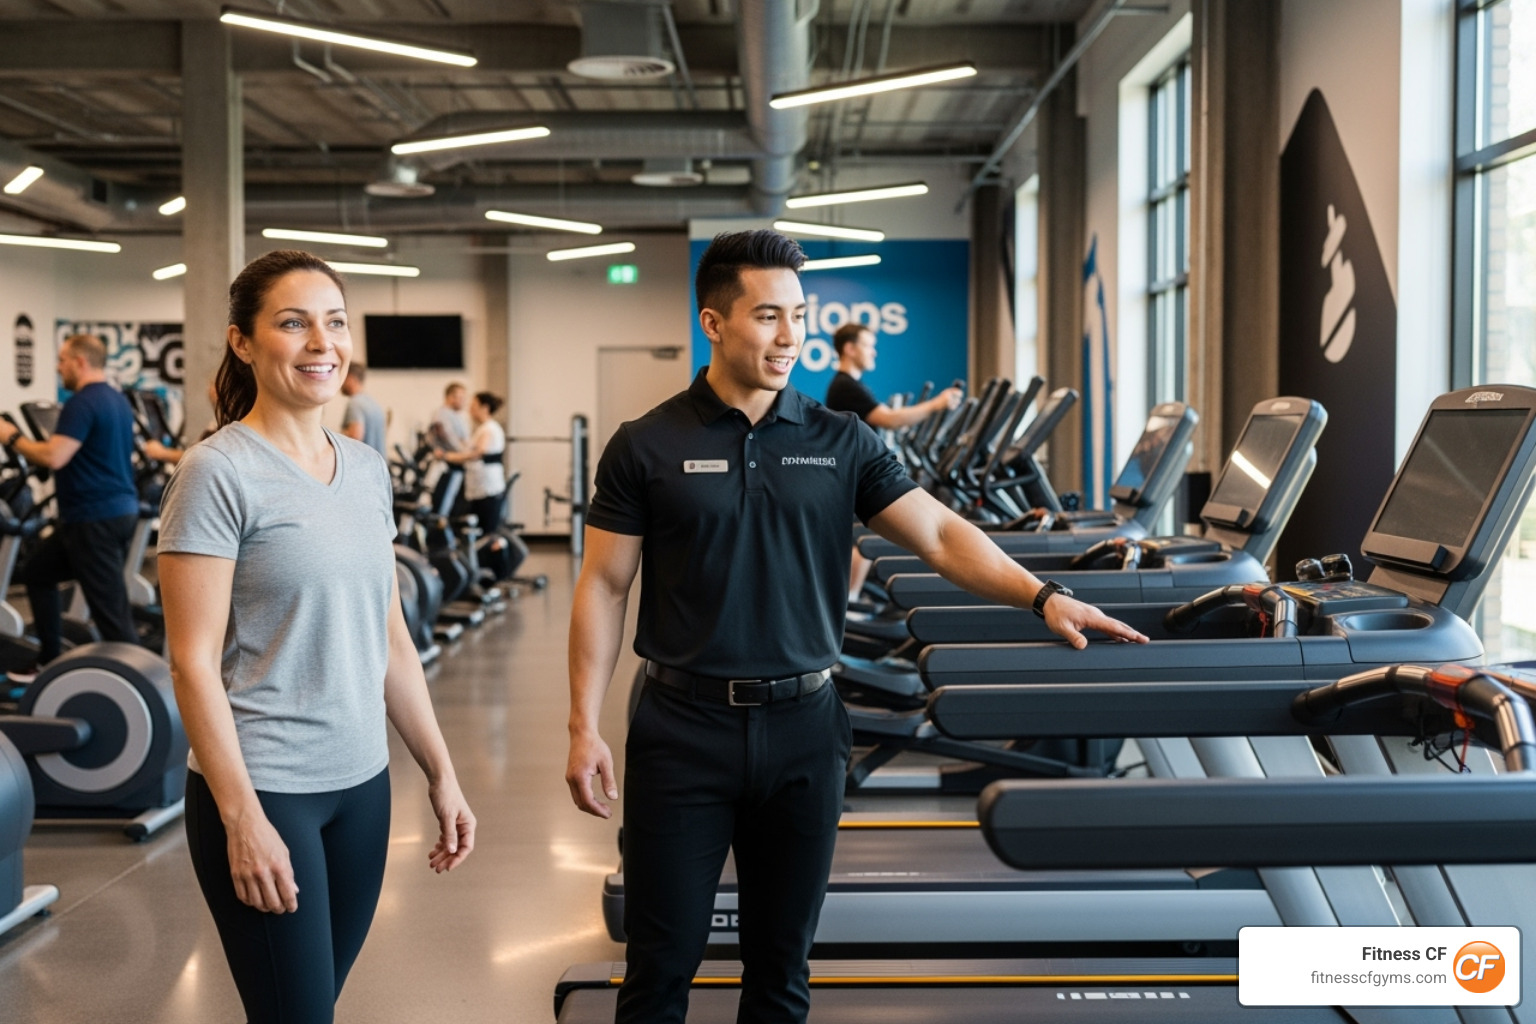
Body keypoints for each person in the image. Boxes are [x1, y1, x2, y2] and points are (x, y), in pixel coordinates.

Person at [565, 229, 1146, 1024]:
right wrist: (582, 725)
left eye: (799, 316)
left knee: (782, 968)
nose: (789, 335)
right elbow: (604, 585)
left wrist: (1043, 597)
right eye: (768, 316)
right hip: (680, 729)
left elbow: (942, 536)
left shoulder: (841, 439)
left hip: (806, 725)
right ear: (714, 322)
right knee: (661, 966)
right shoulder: (646, 446)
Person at [156, 249, 475, 1023]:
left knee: (311, 1006)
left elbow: (390, 637)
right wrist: (242, 818)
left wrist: (441, 769)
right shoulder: (216, 472)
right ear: (243, 342)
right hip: (267, 788)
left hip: (363, 786)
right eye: (292, 323)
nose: (320, 343)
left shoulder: (366, 469)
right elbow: (191, 661)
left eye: (333, 323)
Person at [0, 333, 141, 674]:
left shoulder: (82, 402)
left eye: (62, 360)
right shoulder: (115, 399)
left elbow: (54, 456)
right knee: (37, 572)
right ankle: (50, 657)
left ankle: (145, 688)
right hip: (112, 513)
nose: (58, 367)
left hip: (95, 519)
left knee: (112, 616)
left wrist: (10, 436)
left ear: (80, 362)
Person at [824, 322, 964, 601]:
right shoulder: (845, 386)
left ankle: (851, 601)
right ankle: (849, 605)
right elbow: (889, 419)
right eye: (868, 345)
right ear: (850, 349)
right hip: (851, 476)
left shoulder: (851, 385)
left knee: (867, 535)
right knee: (865, 539)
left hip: (854, 473)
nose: (874, 352)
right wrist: (936, 404)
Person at [434, 390, 507, 532]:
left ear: (484, 408)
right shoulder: (482, 429)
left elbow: (477, 453)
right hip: (479, 489)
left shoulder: (489, 429)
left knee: (487, 532)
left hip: (488, 489)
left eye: (474, 406)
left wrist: (446, 456)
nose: (470, 410)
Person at [340, 361, 387, 455]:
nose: (340, 382)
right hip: (379, 466)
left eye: (342, 376)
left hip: (364, 467)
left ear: (350, 378)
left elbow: (355, 437)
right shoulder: (373, 404)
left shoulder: (354, 404)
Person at [427, 381, 472, 453]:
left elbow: (465, 439)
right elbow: (450, 441)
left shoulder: (458, 415)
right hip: (449, 458)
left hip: (459, 456)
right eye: (461, 398)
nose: (464, 401)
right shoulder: (441, 416)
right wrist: (467, 453)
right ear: (451, 397)